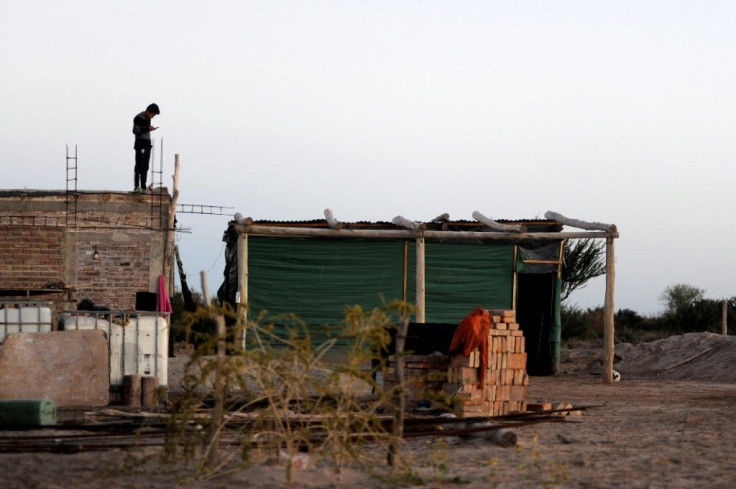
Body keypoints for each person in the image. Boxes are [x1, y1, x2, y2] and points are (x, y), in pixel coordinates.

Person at [132, 103, 160, 193]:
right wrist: (148, 128)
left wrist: (149, 128)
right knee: (139, 166)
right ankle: (137, 186)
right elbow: (135, 130)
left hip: (147, 143)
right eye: (152, 114)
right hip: (140, 143)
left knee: (145, 166)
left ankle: (143, 187)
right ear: (148, 111)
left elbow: (145, 128)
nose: (153, 117)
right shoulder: (138, 117)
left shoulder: (148, 118)